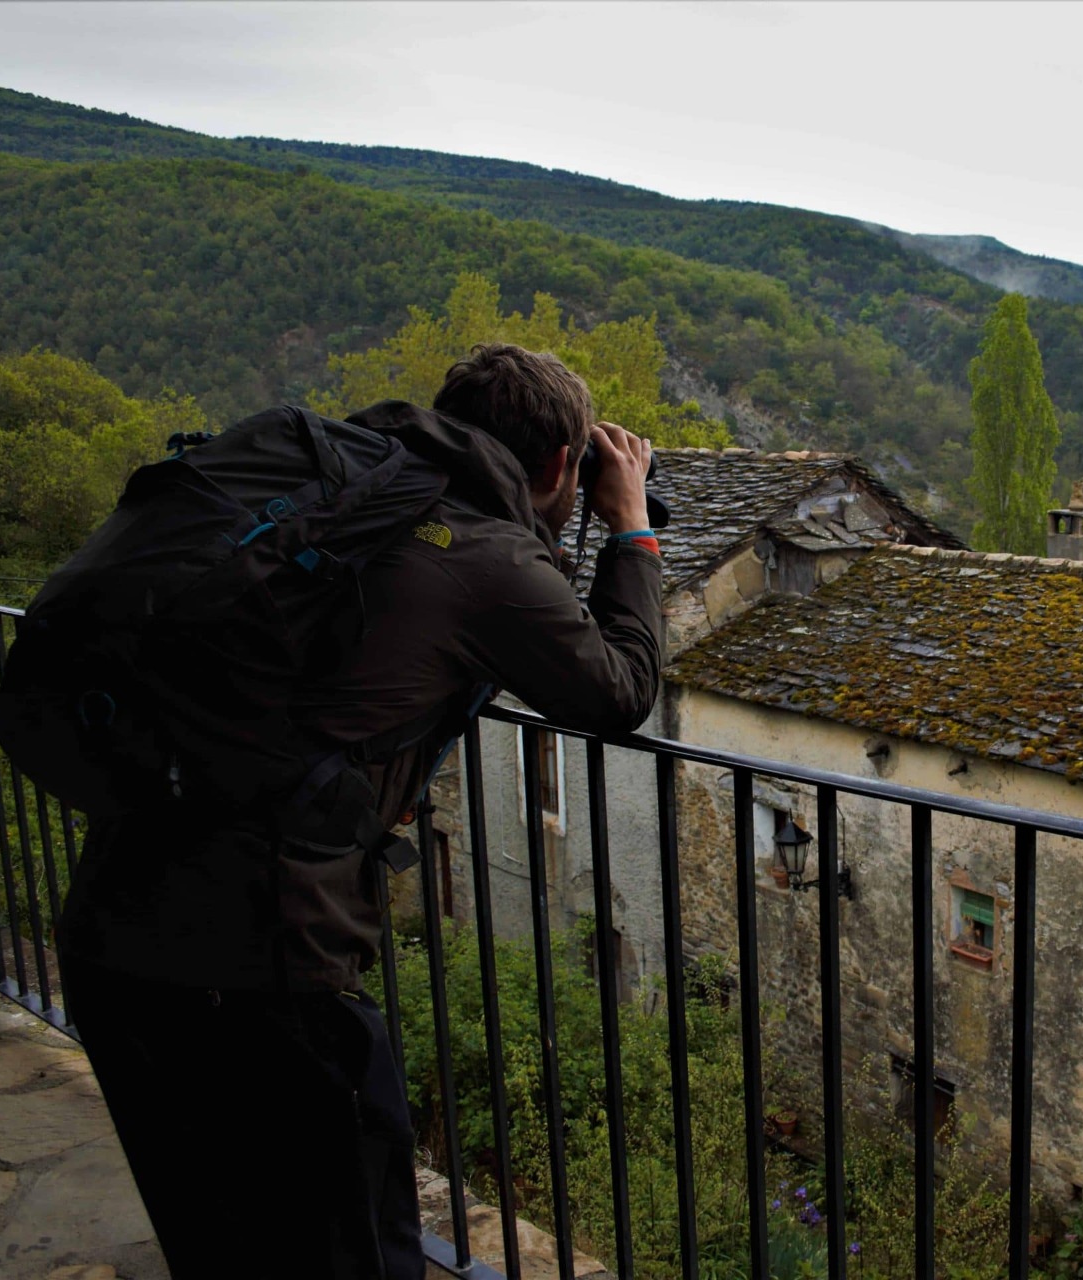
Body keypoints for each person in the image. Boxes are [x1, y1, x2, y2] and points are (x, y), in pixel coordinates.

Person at [56, 344, 663, 1278]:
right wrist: (628, 528)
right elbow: (618, 690)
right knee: (356, 1243)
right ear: (556, 465)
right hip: (260, 951)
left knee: (215, 1234)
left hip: (118, 909)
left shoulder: (348, 496)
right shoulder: (483, 553)